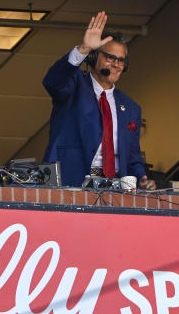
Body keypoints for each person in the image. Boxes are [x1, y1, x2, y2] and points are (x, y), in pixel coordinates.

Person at [42, 11, 155, 189]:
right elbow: (52, 81)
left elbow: (132, 155)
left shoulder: (132, 108)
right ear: (94, 57)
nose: (116, 64)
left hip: (114, 187)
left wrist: (142, 177)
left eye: (121, 60)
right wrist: (84, 49)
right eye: (110, 57)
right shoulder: (74, 85)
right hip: (70, 180)